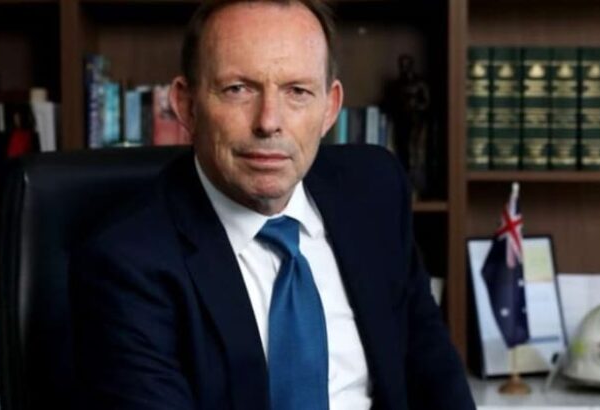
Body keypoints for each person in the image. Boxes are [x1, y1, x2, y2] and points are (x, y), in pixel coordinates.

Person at [71, 0, 475, 409]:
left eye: (297, 91)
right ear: (187, 105)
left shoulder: (374, 190)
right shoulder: (126, 262)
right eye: (238, 89)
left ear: (330, 108)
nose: (268, 122)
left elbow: (434, 373)